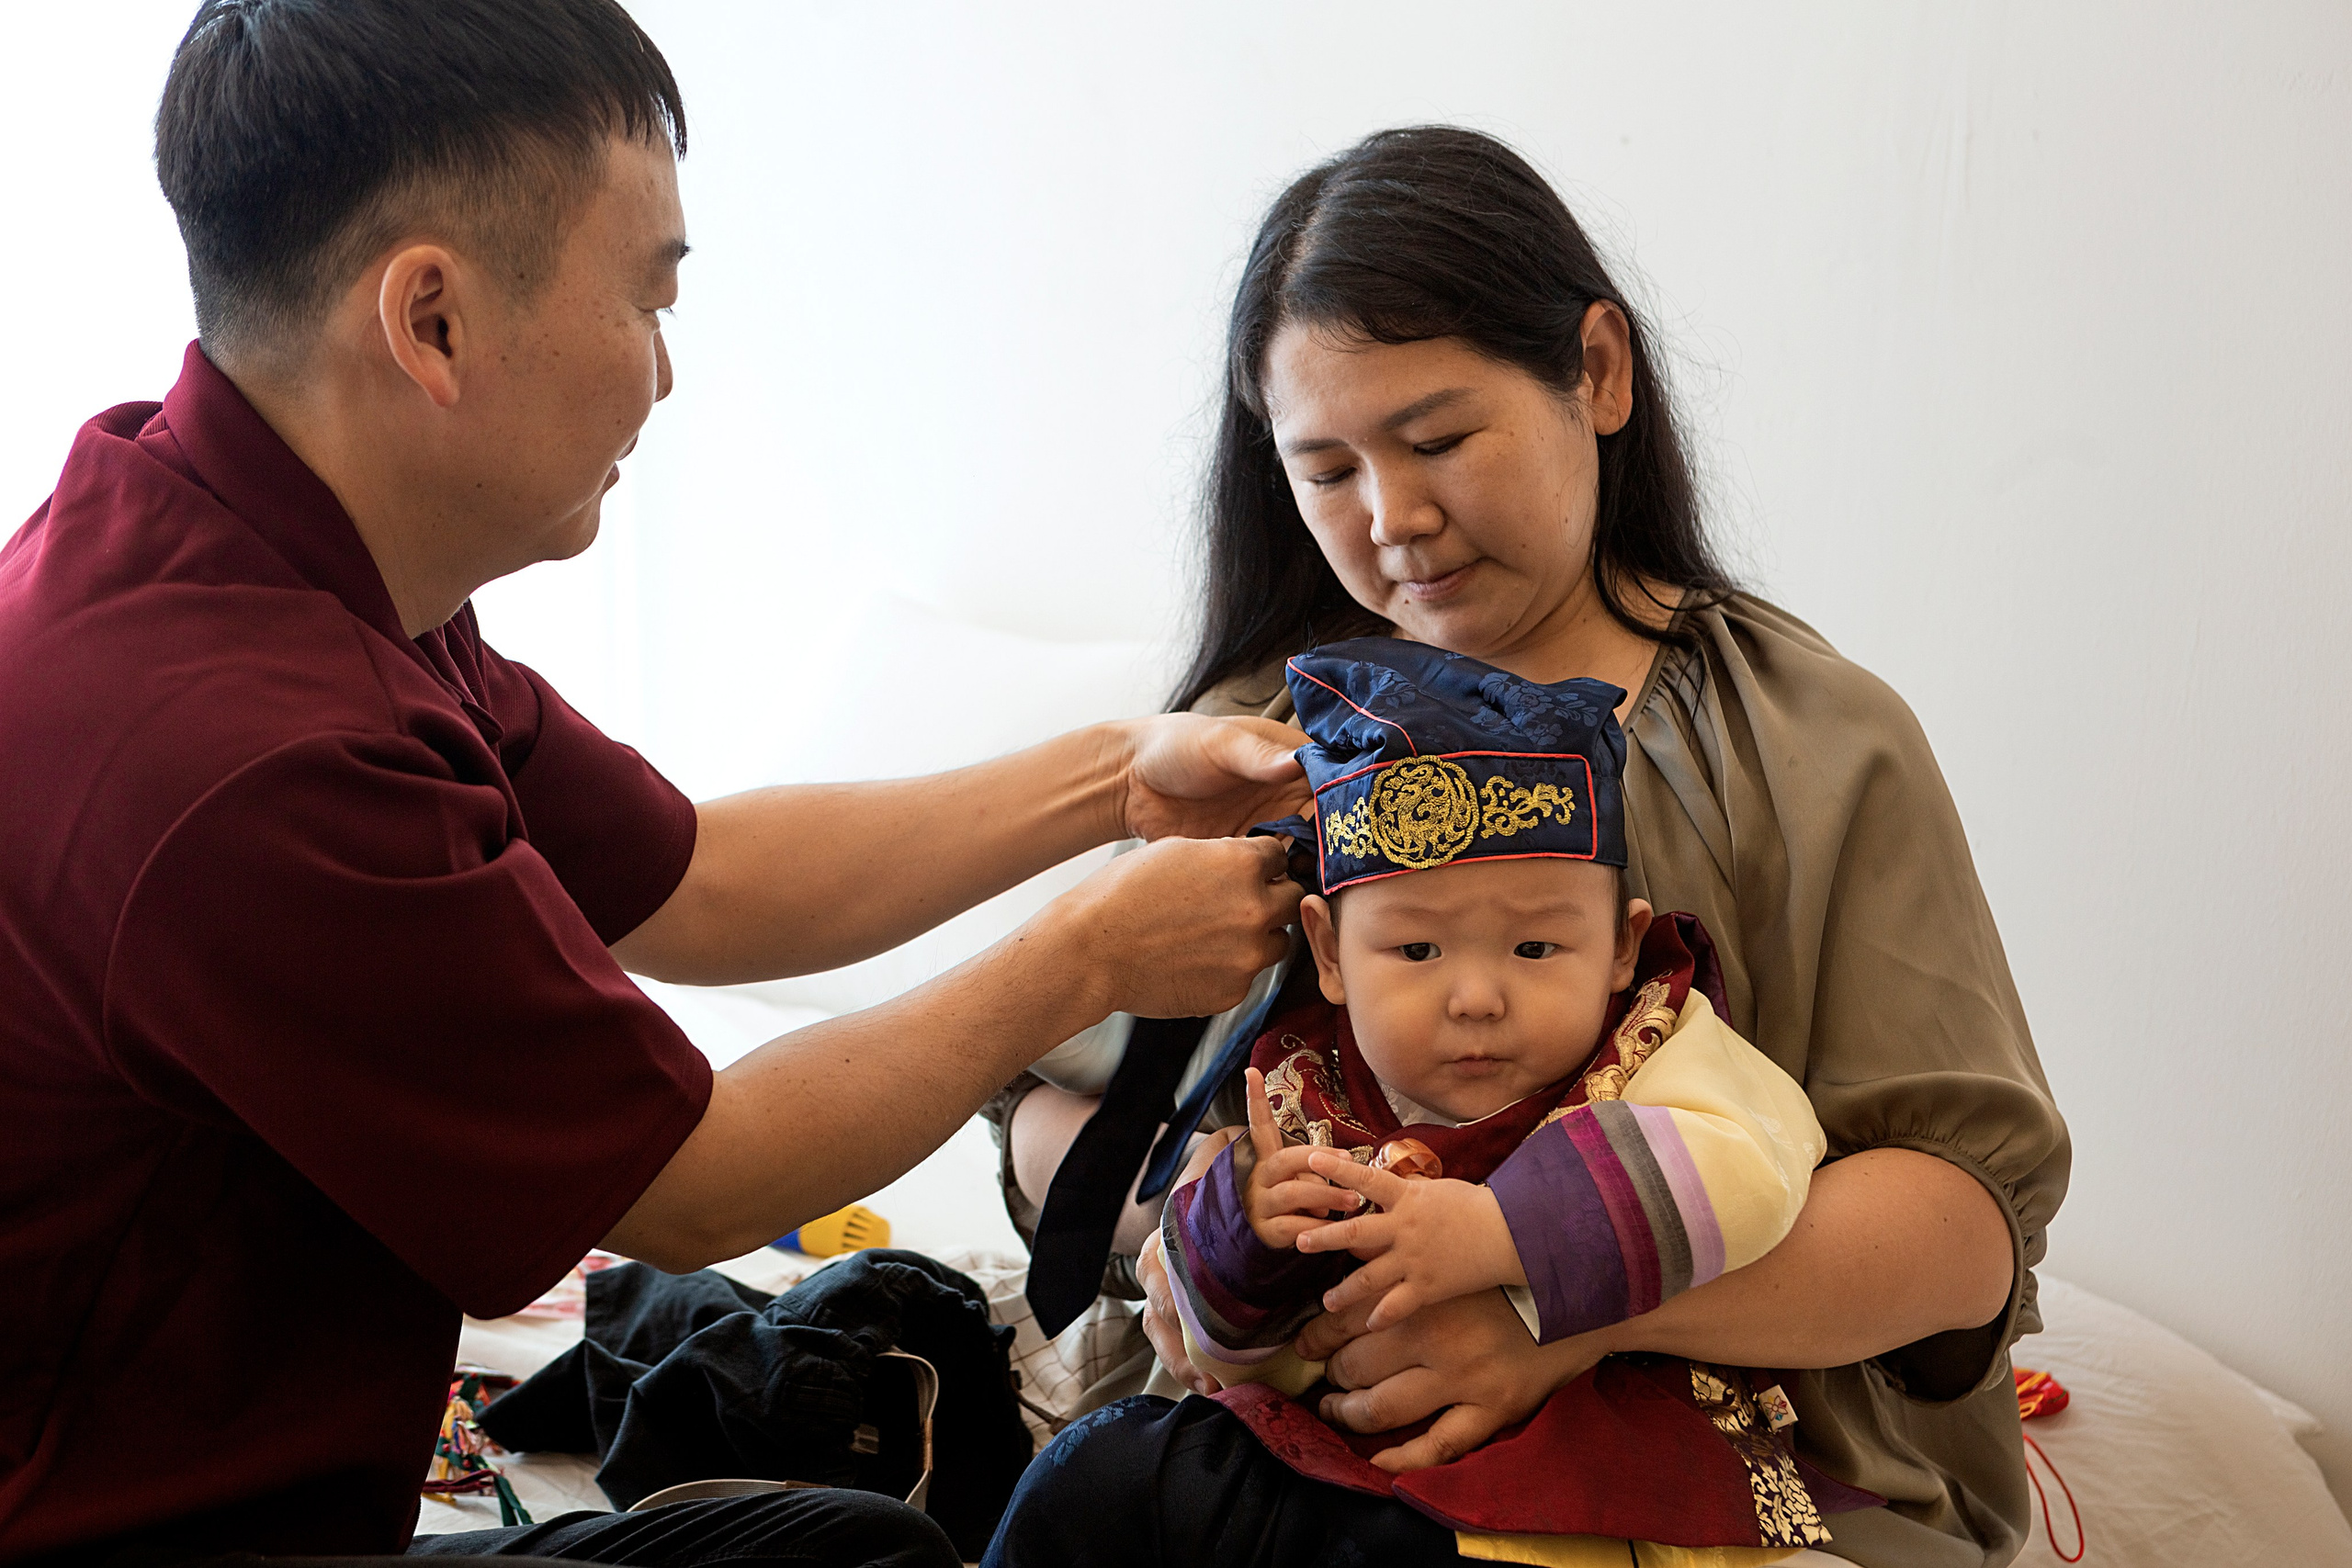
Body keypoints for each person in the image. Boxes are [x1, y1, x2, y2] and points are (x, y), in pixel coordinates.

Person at [0, 3, 1304, 1564]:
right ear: (431, 321)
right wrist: (1090, 951)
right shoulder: (260, 764)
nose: (667, 374)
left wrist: (1119, 779)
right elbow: (692, 1183)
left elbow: (697, 876)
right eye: (645, 296)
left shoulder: (232, 540)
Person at [996, 126, 2071, 1568]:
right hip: (1294, 1439)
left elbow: (1962, 1227)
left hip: (1738, 1469)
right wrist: (1219, 1245)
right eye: (1325, 469)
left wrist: (1550, 1301)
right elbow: (1044, 1117)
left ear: (1601, 374)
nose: (1394, 520)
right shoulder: (1260, 740)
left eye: (1438, 440)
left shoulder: (1810, 738)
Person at [992, 640, 1848, 1566]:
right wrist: (1245, 1240)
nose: (1475, 997)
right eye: (1415, 952)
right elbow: (1238, 1364)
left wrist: (1502, 1233)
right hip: (1325, 1455)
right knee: (1095, 1476)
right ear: (1326, 952)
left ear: (1619, 947)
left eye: (1533, 949)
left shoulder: (1650, 1044)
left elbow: (1757, 1158)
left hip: (1569, 1493)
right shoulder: (1303, 1086)